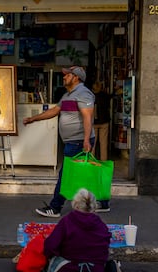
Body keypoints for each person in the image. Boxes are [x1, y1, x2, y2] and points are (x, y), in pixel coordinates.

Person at [24, 65, 103, 217]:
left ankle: (55, 207)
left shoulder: (84, 94)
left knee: (66, 175)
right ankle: (102, 202)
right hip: (73, 141)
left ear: (76, 77)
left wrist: (86, 140)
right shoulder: (68, 95)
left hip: (78, 141)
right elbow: (55, 110)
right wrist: (34, 119)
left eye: (68, 75)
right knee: (83, 174)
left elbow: (88, 117)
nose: (64, 77)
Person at [43, 189, 111, 272]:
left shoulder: (67, 221)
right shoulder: (100, 225)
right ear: (94, 206)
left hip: (68, 270)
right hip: (94, 271)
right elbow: (105, 248)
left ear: (75, 204)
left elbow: (50, 246)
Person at [92, 81, 111, 161]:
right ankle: (103, 161)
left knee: (93, 143)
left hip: (94, 123)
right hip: (104, 122)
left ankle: (91, 161)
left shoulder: (90, 96)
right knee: (103, 143)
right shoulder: (105, 96)